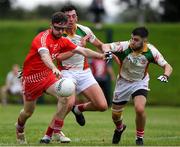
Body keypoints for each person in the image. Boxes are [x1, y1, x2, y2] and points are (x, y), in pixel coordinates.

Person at [15, 11, 108, 144]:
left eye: (62, 29)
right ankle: (19, 128)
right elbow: (45, 56)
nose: (59, 31)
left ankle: (56, 131)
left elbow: (82, 50)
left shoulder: (63, 40)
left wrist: (101, 56)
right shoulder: (42, 38)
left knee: (66, 96)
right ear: (51, 25)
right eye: (57, 28)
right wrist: (53, 67)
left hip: (47, 76)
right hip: (32, 79)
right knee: (28, 112)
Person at [40, 5, 112, 143]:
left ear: (77, 17)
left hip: (84, 72)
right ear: (62, 18)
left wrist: (110, 51)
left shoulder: (84, 30)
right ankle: (48, 134)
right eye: (68, 17)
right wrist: (78, 48)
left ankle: (78, 109)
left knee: (102, 105)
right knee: (68, 102)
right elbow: (58, 57)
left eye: (74, 16)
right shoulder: (59, 34)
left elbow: (100, 45)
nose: (71, 19)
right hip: (66, 72)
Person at [102, 27, 173, 145]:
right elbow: (105, 45)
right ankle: (119, 128)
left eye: (136, 40)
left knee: (139, 109)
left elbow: (168, 66)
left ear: (144, 41)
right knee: (115, 115)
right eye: (131, 38)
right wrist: (107, 52)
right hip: (123, 82)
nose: (132, 42)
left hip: (140, 82)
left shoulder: (151, 51)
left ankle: (139, 137)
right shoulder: (125, 46)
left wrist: (165, 75)